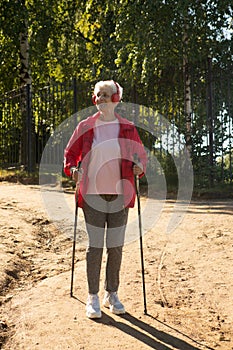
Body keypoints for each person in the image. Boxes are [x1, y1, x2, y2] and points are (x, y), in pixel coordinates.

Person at [64, 80, 147, 319]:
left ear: (116, 98)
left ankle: (112, 293)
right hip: (92, 194)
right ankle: (92, 297)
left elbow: (140, 156)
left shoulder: (128, 128)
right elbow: (70, 155)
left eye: (106, 95)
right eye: (98, 95)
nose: (100, 98)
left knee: (116, 247)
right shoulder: (85, 126)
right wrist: (72, 170)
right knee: (95, 246)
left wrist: (139, 167)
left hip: (120, 194)